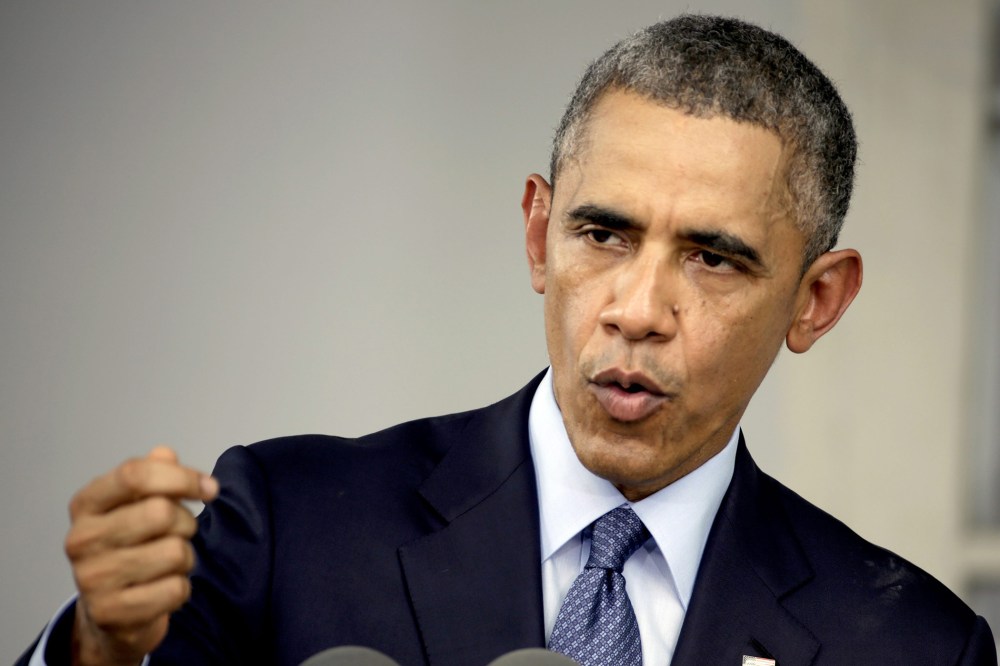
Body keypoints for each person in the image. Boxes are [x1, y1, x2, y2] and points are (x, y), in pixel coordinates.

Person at [18, 14, 997, 666]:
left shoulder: (909, 644)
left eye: (711, 259)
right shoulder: (293, 527)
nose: (636, 309)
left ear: (815, 302)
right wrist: (96, 650)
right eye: (602, 234)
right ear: (538, 233)